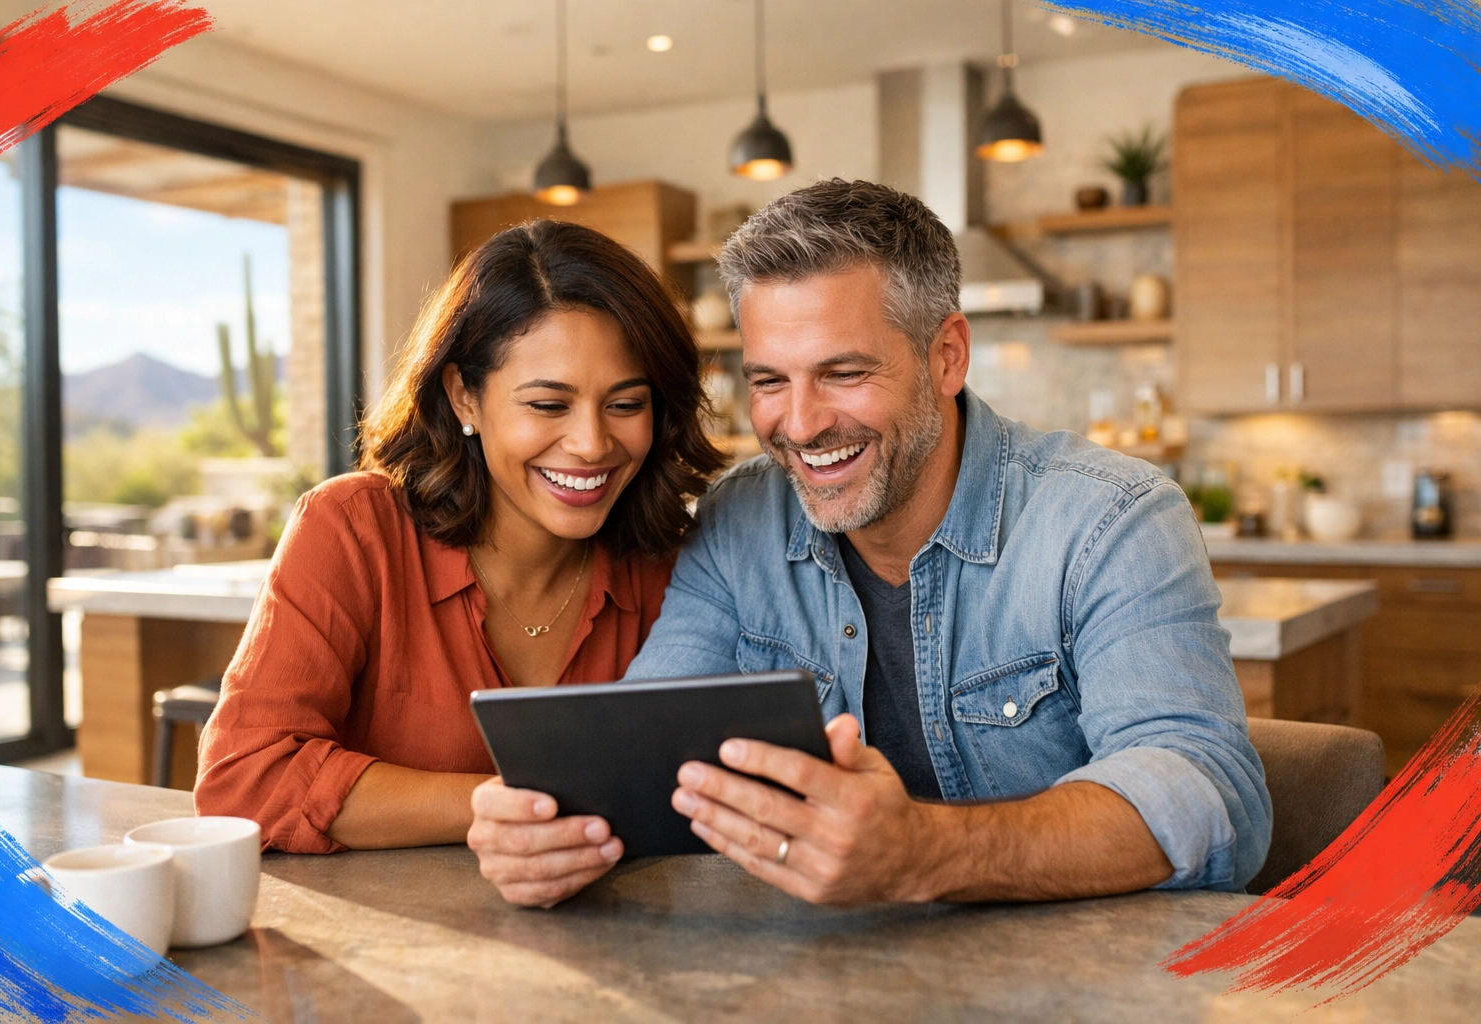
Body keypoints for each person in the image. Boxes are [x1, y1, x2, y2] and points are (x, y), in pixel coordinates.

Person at [469, 180, 1271, 908]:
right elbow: (642, 752)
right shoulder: (737, 523)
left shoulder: (1111, 519)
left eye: (844, 372)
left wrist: (925, 853)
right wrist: (548, 831)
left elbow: (1208, 792)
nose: (802, 424)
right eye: (769, 381)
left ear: (946, 356)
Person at [194, 220, 724, 855]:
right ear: (464, 397)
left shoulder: (677, 567)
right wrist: (498, 806)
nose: (592, 444)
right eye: (549, 405)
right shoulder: (353, 530)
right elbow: (245, 779)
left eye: (626, 404)